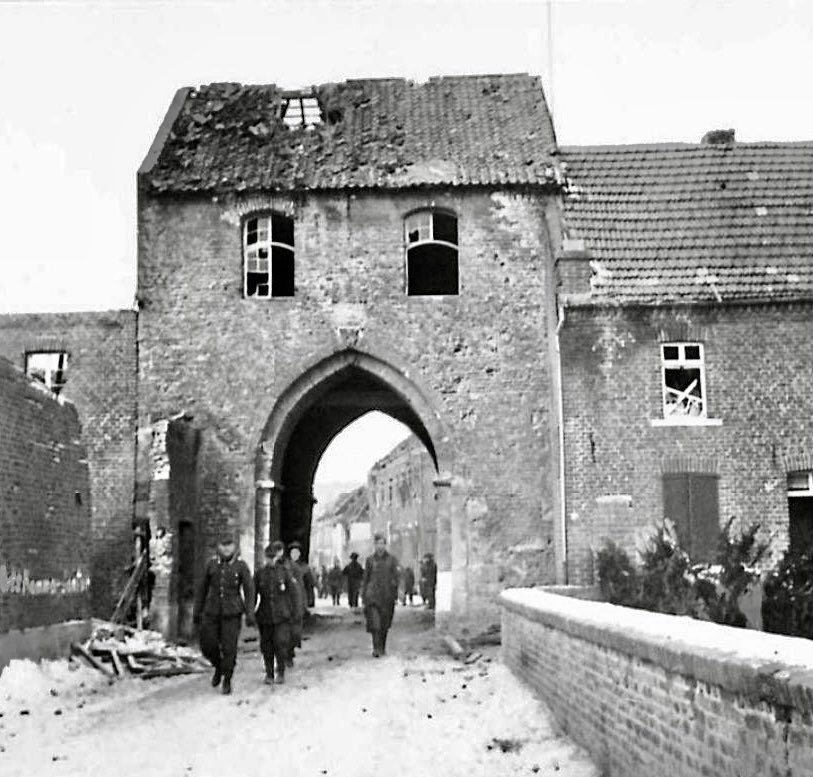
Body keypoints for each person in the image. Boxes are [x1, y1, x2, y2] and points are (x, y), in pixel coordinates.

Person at [193, 533, 255, 695]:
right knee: (208, 645)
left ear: (234, 547)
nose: (226, 549)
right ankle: (218, 667)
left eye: (229, 545)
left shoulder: (241, 566)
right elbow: (202, 589)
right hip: (212, 611)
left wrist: (250, 612)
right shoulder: (212, 564)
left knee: (229, 648)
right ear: (218, 546)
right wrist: (197, 611)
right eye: (223, 545)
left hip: (232, 613)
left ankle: (227, 678)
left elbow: (249, 590)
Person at [254, 541, 296, 685]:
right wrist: (250, 612)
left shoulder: (284, 572)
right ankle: (269, 674)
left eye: (273, 557)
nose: (271, 560)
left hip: (281, 615)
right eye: (268, 557)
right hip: (265, 615)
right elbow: (253, 594)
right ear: (265, 557)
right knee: (267, 646)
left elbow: (292, 593)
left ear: (276, 557)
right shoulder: (259, 574)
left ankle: (281, 672)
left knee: (281, 644)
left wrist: (294, 611)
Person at [362, 534, 399, 657]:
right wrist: (364, 595)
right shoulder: (370, 560)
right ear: (375, 545)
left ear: (385, 545)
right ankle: (376, 648)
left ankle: (382, 647)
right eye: (378, 543)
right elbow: (366, 578)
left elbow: (396, 577)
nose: (380, 546)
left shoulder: (392, 560)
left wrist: (397, 592)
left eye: (382, 543)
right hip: (372, 596)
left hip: (387, 596)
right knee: (375, 623)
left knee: (384, 624)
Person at [286, 541, 309, 666]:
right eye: (292, 552)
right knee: (286, 629)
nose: (295, 555)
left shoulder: (303, 567)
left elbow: (309, 582)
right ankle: (287, 654)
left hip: (299, 600)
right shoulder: (285, 567)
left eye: (297, 552)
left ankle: (292, 649)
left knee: (296, 630)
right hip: (287, 601)